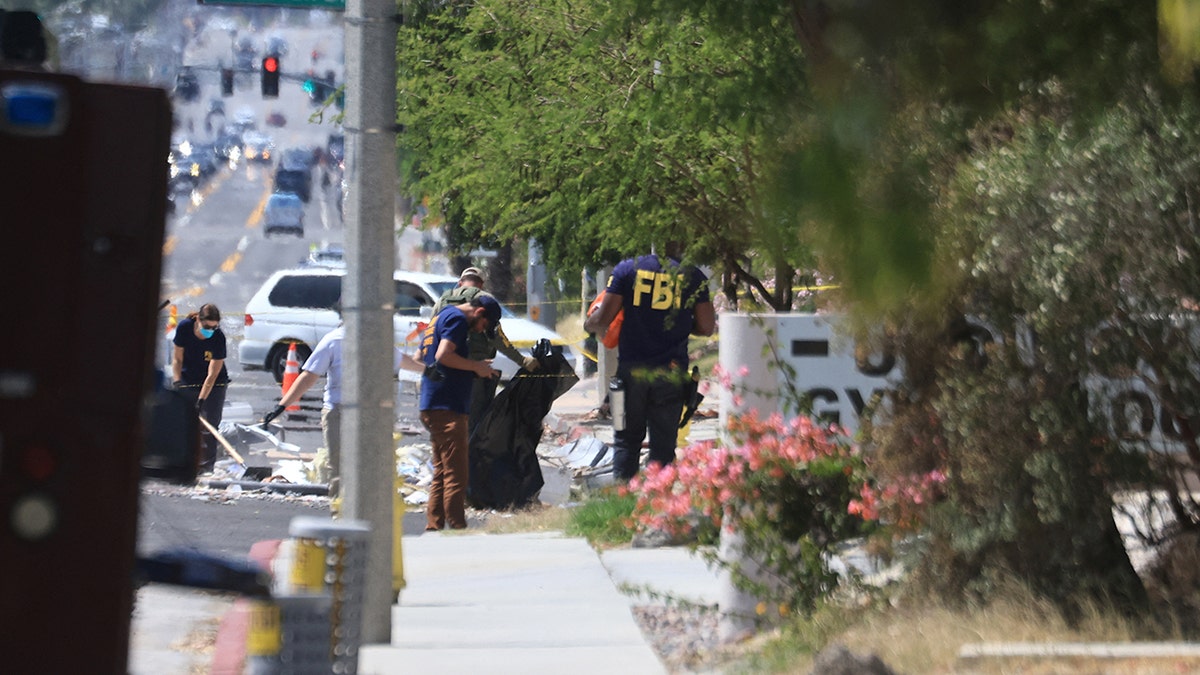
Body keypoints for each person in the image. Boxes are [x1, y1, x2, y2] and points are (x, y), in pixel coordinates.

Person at [584, 249, 716, 482]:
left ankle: (622, 507)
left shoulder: (626, 269)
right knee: (664, 445)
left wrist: (589, 322)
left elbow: (602, 319)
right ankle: (659, 508)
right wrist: (684, 325)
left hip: (631, 372)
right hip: (671, 374)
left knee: (626, 441)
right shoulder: (692, 275)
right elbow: (706, 327)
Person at [261, 320, 424, 500]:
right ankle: (351, 511)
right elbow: (309, 376)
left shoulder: (368, 339)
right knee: (356, 467)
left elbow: (309, 376)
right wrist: (282, 405)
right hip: (350, 411)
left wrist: (282, 405)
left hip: (353, 412)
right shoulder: (338, 340)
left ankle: (351, 510)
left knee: (345, 467)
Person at [418, 294, 502, 530]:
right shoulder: (456, 319)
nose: (480, 331)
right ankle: (457, 527)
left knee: (442, 470)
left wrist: (473, 369)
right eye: (484, 326)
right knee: (457, 472)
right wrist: (476, 366)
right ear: (480, 313)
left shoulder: (441, 317)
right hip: (447, 406)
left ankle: (435, 524)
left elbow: (422, 357)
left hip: (434, 402)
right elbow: (443, 355)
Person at [432, 266, 539, 437]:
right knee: (474, 422)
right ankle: (468, 460)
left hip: (447, 372)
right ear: (481, 284)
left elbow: (432, 334)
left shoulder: (443, 301)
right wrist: (522, 361)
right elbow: (498, 338)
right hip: (475, 374)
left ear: (460, 282)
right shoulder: (484, 300)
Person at [172, 303, 230, 473]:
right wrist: (177, 382)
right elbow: (177, 359)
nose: (210, 331)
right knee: (185, 424)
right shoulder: (184, 328)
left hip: (215, 384)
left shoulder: (218, 338)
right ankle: (184, 465)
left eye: (214, 327)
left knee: (209, 426)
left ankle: (206, 468)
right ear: (198, 319)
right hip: (188, 379)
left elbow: (212, 375)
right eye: (207, 327)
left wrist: (201, 400)